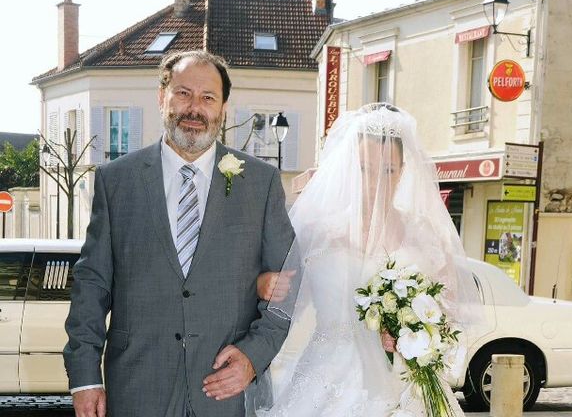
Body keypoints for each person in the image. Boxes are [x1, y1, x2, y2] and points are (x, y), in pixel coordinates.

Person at [64, 50, 295, 417]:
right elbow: (91, 286)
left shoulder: (261, 183)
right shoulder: (116, 181)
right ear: (162, 97)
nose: (194, 108)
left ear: (222, 109)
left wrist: (254, 356)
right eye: (184, 93)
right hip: (137, 389)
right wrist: (85, 378)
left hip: (227, 392)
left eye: (208, 98)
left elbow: (288, 286)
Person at [247, 103, 484, 416]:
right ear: (348, 169)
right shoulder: (317, 233)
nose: (377, 180)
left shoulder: (424, 235)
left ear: (403, 171)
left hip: (403, 383)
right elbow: (282, 307)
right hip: (326, 383)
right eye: (365, 169)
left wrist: (415, 334)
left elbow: (447, 310)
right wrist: (262, 286)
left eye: (389, 170)